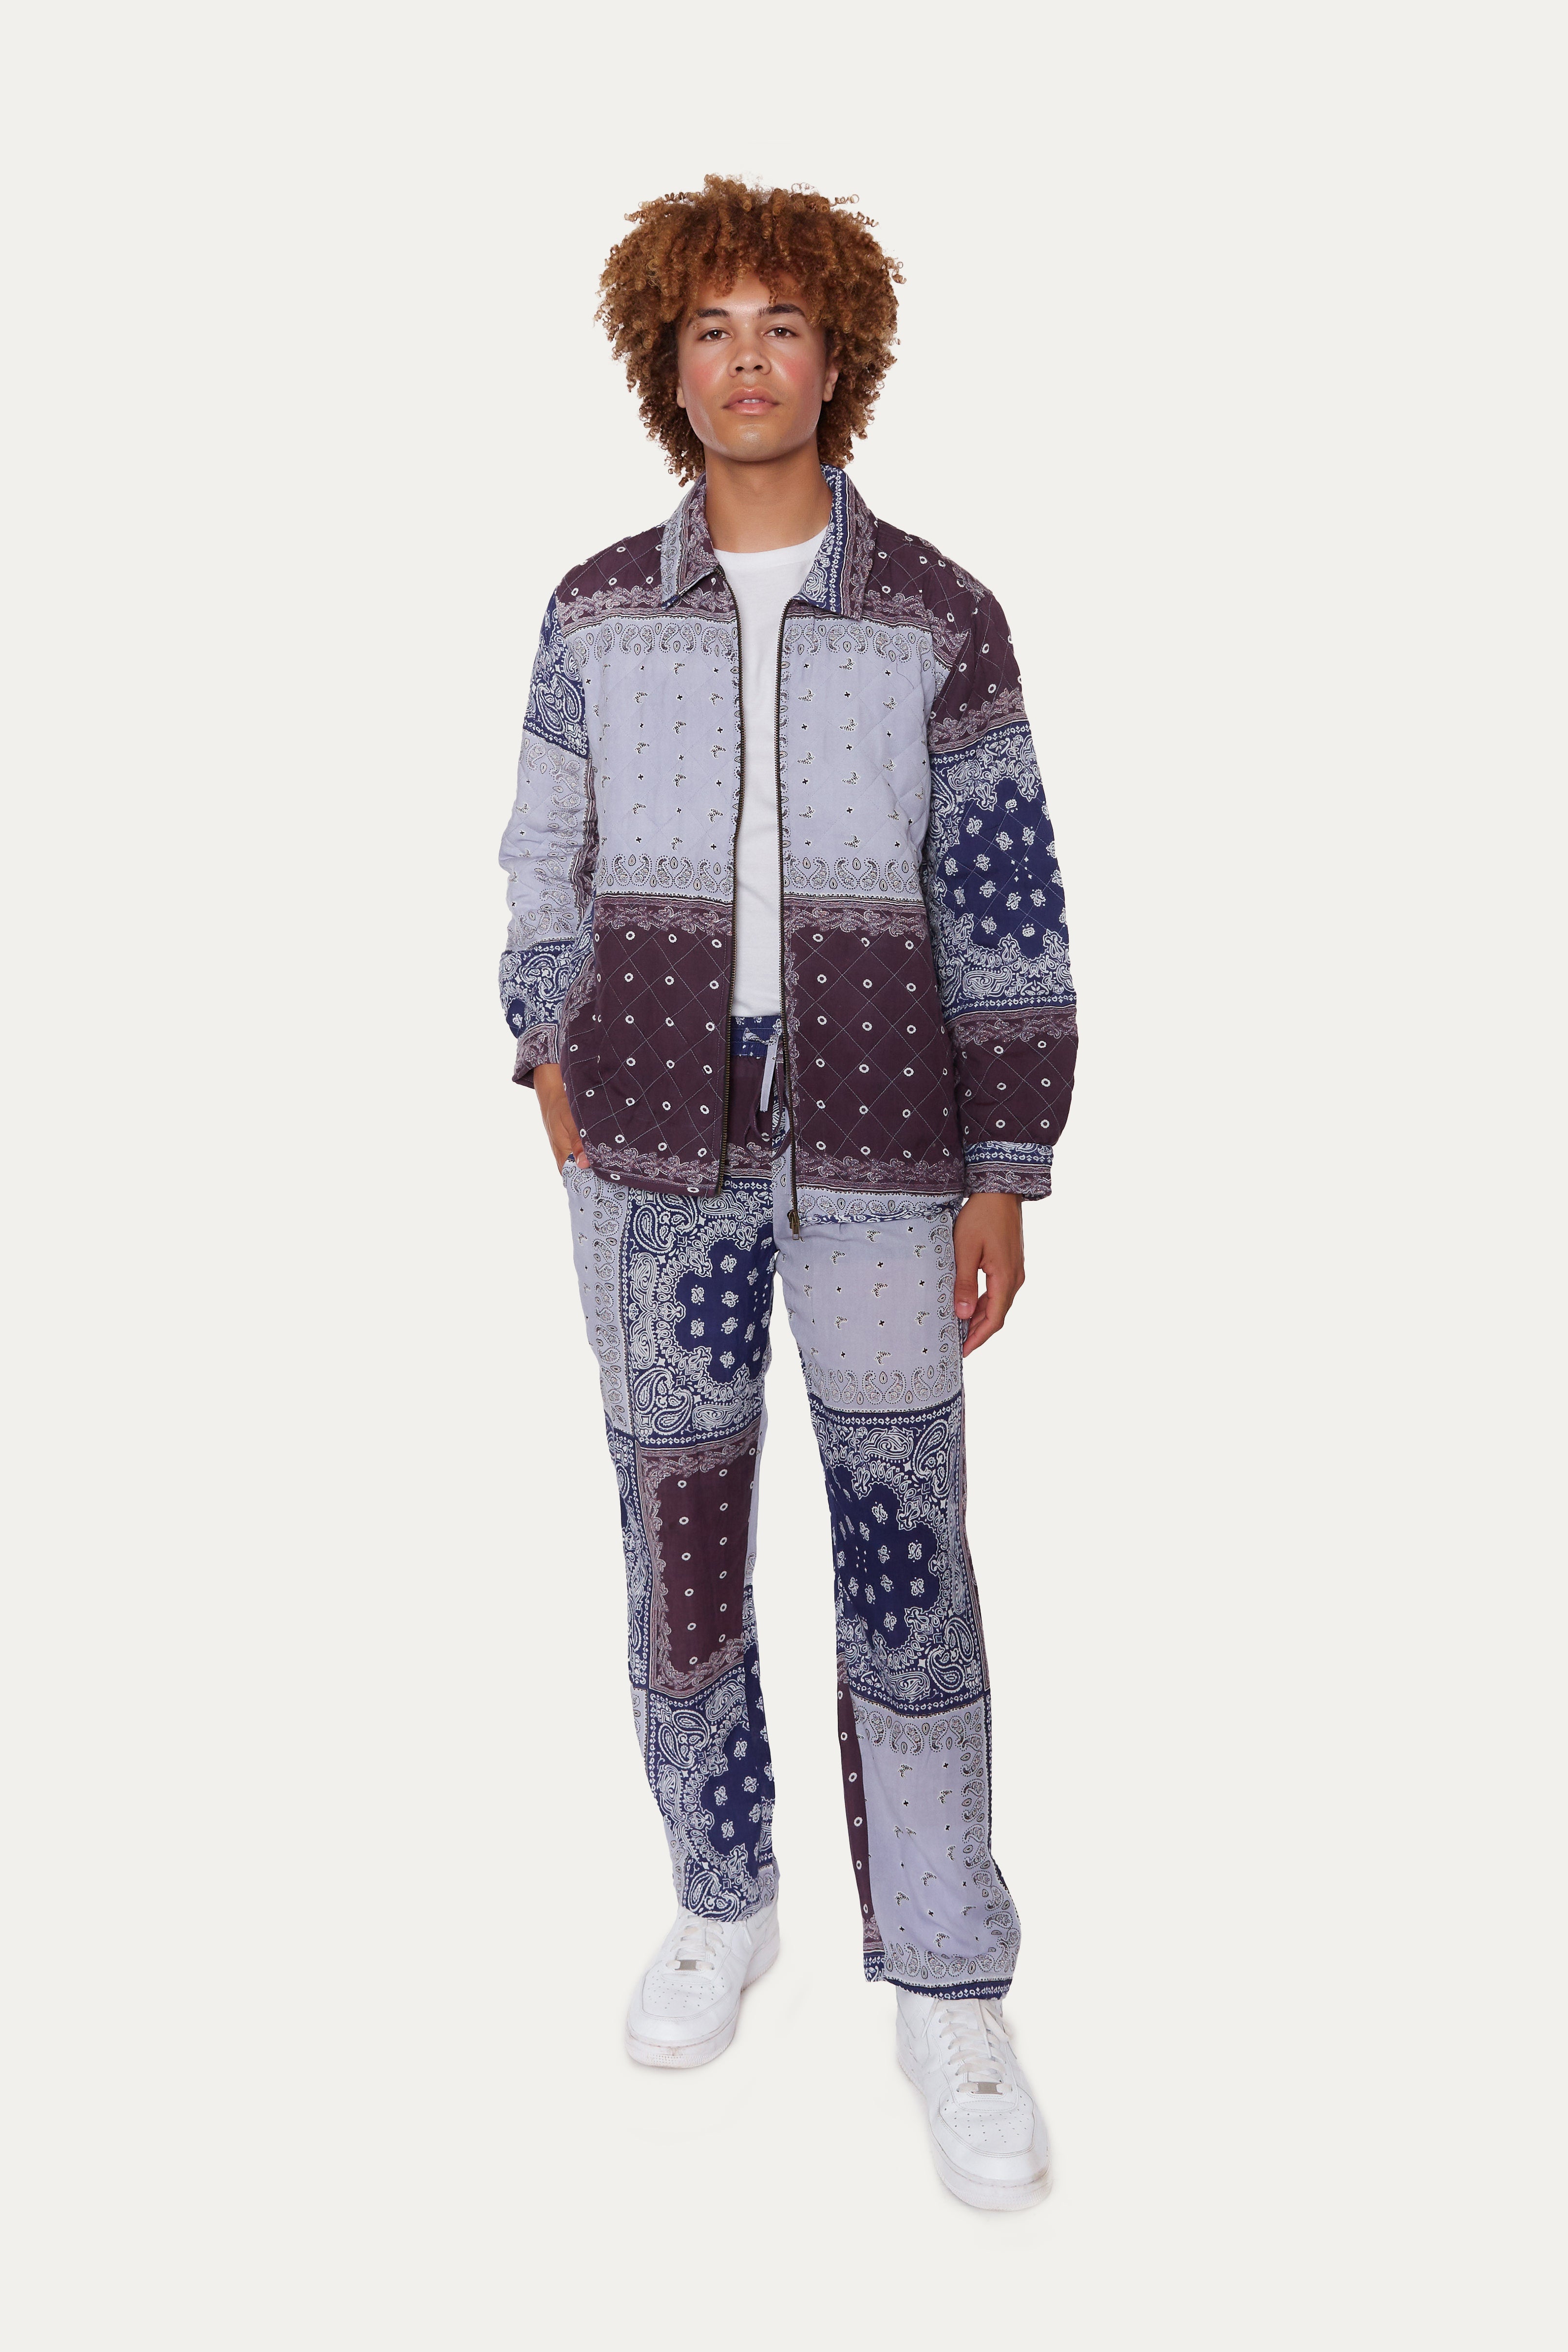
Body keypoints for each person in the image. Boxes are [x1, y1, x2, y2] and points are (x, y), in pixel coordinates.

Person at [498, 177, 1077, 2211]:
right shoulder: (595, 608)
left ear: (841, 356)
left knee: (908, 1558)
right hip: (648, 1142)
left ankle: (947, 1973)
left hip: (886, 1147)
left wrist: (1006, 1160)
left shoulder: (937, 614)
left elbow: (1002, 892)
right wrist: (549, 1047)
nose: (747, 360)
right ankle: (720, 1893)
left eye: (783, 325)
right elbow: (539, 849)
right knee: (678, 1547)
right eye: (710, 328)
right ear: (665, 364)